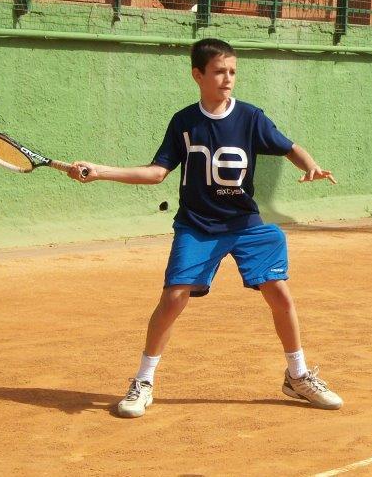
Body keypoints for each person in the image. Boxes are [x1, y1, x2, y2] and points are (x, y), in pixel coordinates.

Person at [67, 38, 343, 418]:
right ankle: (143, 381)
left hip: (245, 224)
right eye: (218, 71)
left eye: (232, 71)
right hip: (197, 225)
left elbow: (289, 146)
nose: (227, 79)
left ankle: (297, 377)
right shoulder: (185, 122)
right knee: (174, 298)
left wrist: (309, 165)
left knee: (279, 293)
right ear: (198, 74)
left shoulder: (251, 117)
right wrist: (101, 172)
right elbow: (156, 173)